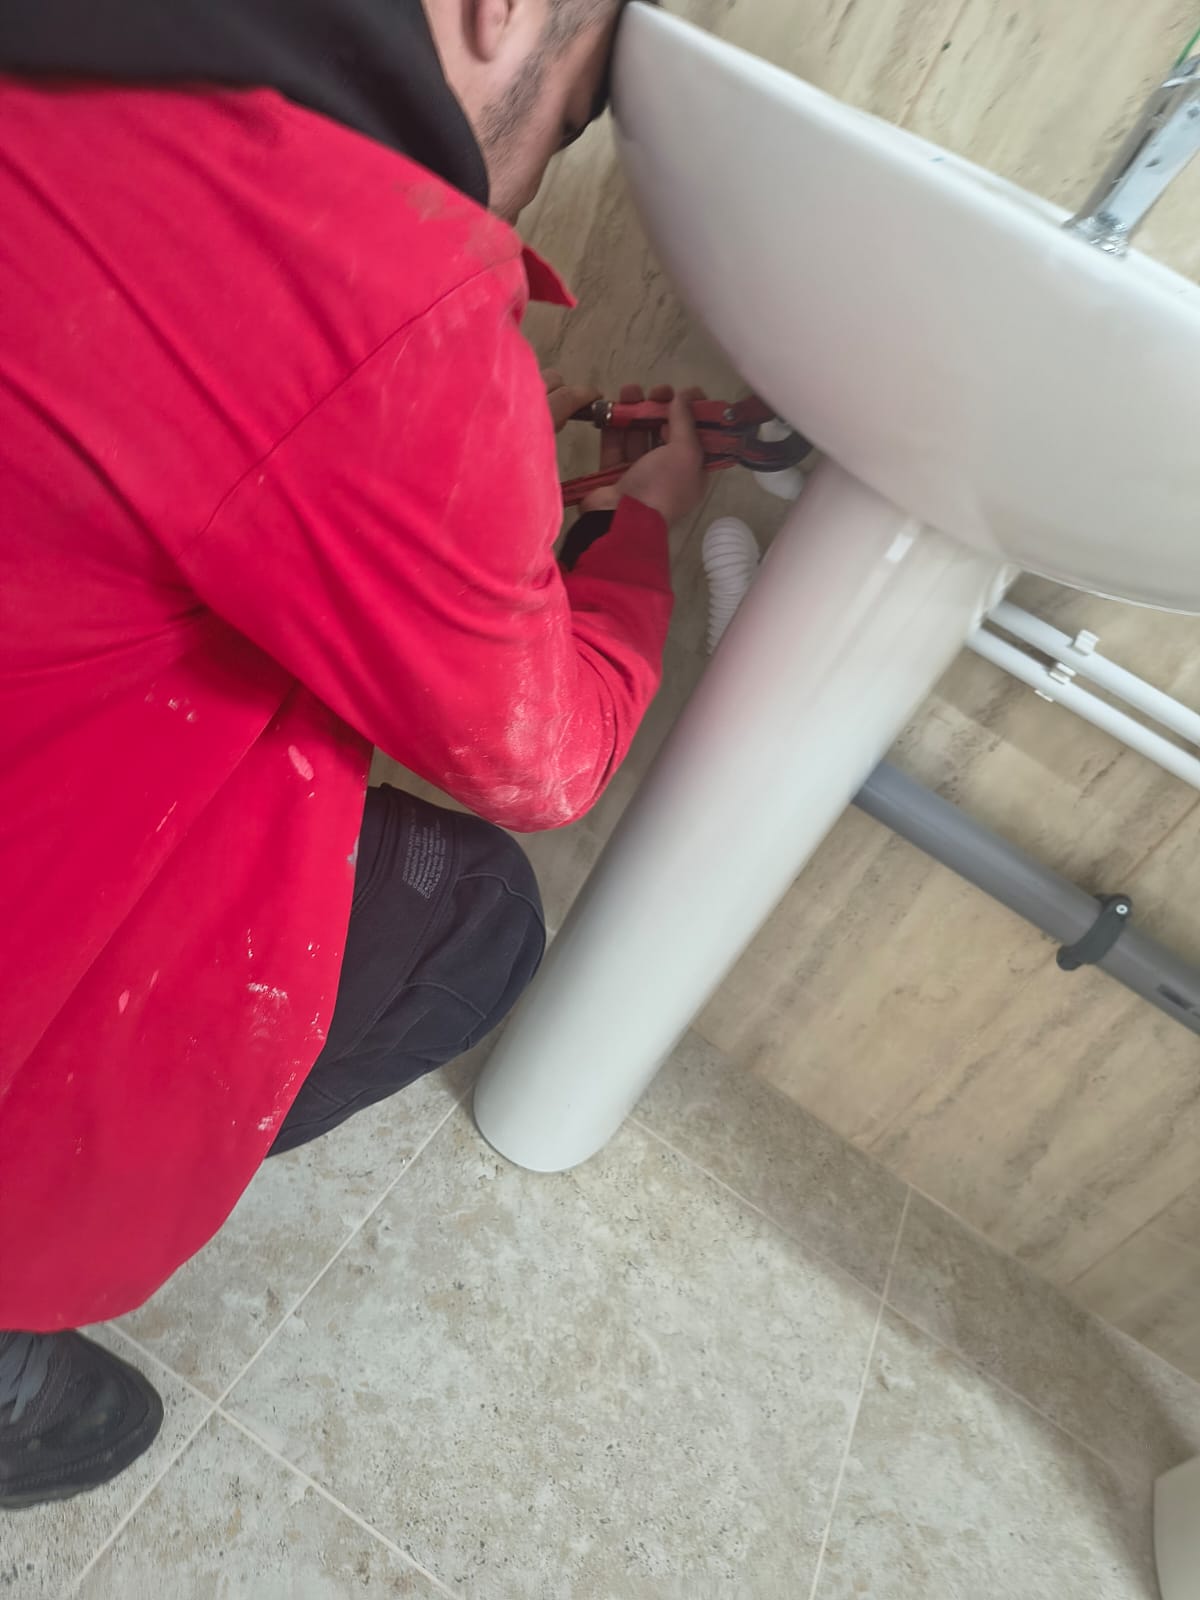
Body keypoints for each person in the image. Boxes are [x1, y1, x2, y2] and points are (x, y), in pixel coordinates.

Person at [0, 0, 707, 1507]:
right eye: (573, 116)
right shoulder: (361, 285)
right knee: (476, 910)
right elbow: (545, 757)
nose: (537, 172)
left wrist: (473, 482)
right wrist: (634, 531)